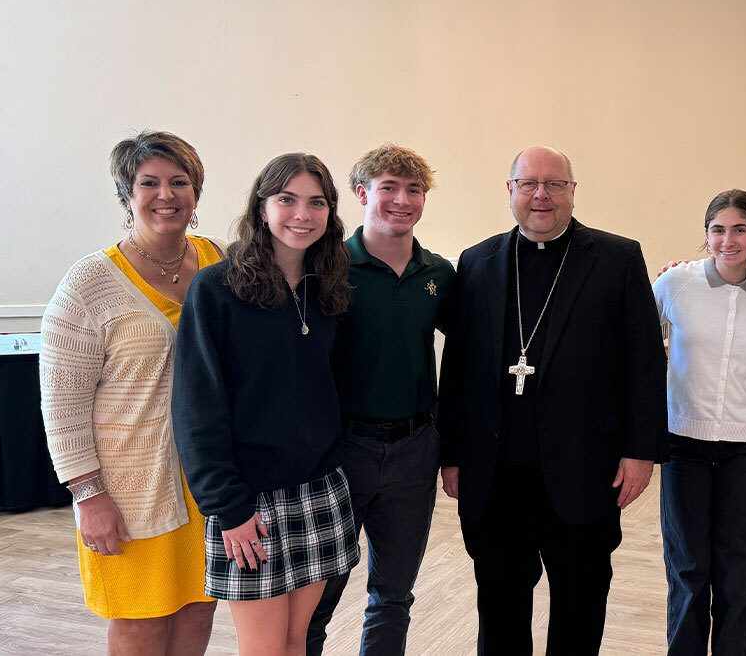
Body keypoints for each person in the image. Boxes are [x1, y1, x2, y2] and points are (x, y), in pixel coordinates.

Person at [437, 145, 667, 655]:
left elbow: (645, 363)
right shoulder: (477, 263)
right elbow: (456, 371)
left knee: (579, 608)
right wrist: (452, 455)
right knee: (500, 610)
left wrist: (641, 451)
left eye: (554, 184)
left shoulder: (616, 258)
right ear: (510, 190)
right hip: (495, 475)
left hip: (584, 467)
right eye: (529, 184)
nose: (541, 195)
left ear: (572, 191)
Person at [39, 130, 219, 655]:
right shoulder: (88, 284)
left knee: (199, 608)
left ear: (195, 192)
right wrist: (89, 496)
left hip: (208, 480)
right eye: (149, 183)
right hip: (131, 488)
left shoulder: (219, 260)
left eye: (179, 181)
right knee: (141, 620)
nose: (166, 195)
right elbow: (62, 404)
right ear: (126, 194)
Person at [172, 153, 360, 656]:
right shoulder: (217, 288)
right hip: (247, 501)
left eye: (316, 202)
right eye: (287, 199)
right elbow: (196, 408)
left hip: (319, 490)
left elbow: (334, 390)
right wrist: (228, 507)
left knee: (297, 640)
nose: (302, 214)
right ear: (262, 208)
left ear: (330, 212)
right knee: (263, 647)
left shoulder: (331, 290)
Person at [307, 144, 455, 655]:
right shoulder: (327, 266)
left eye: (414, 190)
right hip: (342, 449)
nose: (402, 200)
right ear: (361, 193)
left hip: (415, 448)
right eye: (388, 188)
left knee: (393, 594)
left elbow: (475, 349)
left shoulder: (438, 274)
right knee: (318, 597)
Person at [652, 189, 746, 656]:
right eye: (718, 230)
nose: (728, 240)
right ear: (706, 235)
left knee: (738, 568)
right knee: (688, 566)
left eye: (740, 229)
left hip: (744, 447)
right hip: (682, 442)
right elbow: (636, 340)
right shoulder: (676, 283)